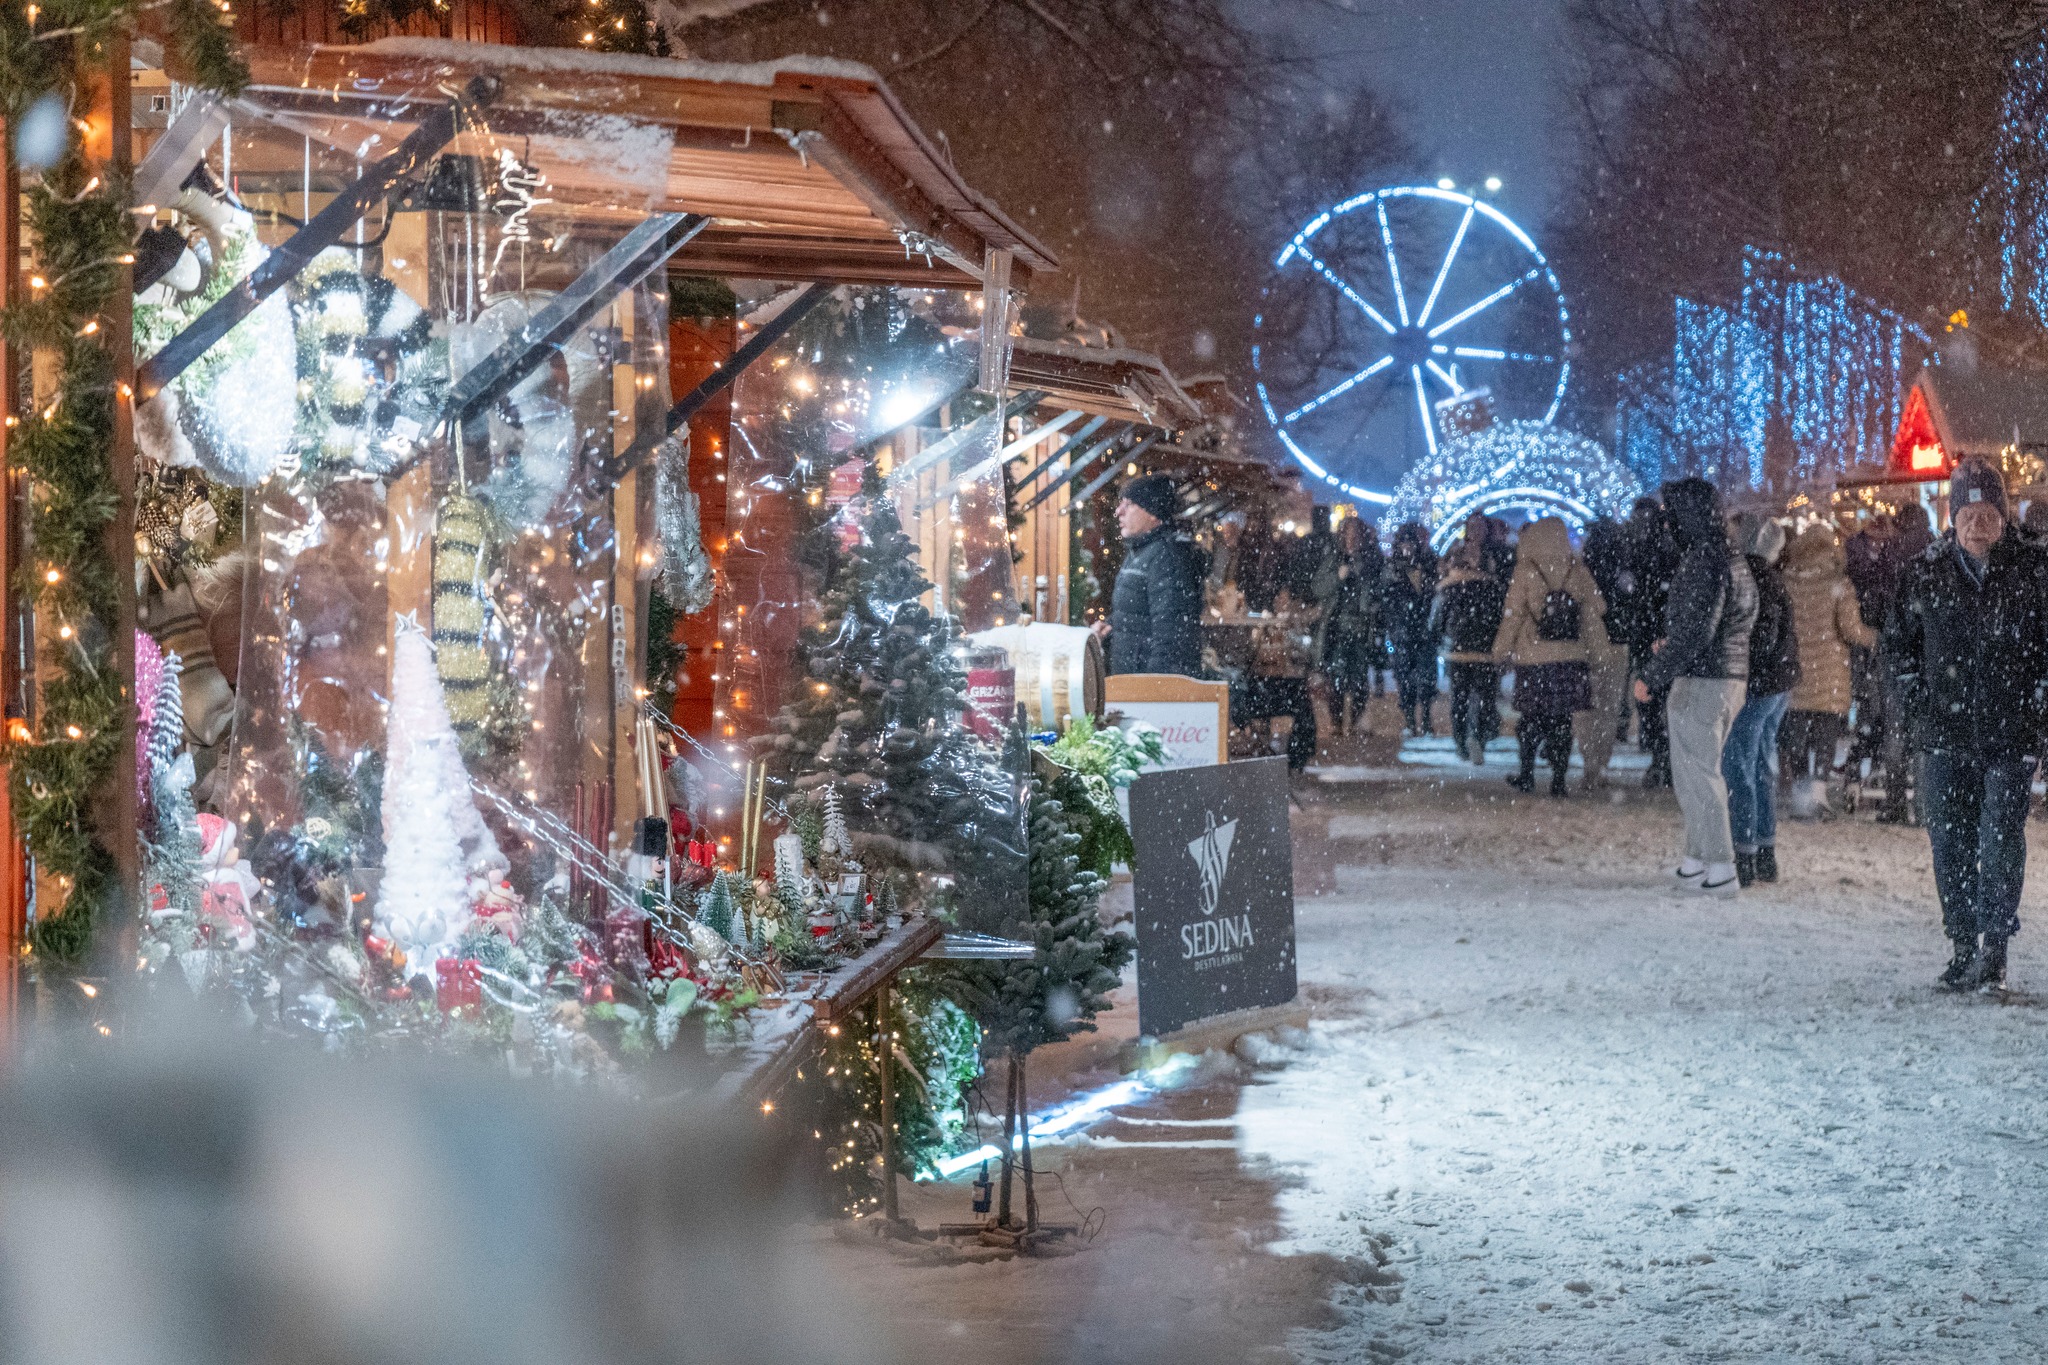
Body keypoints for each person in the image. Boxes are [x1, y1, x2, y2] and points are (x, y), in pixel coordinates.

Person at [1885, 460, 2048, 994]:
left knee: (2001, 839)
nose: (1979, 525)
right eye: (1969, 514)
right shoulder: (1926, 570)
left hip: (2011, 732)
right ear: (1952, 518)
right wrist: (1918, 700)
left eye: (1989, 514)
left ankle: (1993, 950)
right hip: (1943, 735)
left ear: (2003, 516)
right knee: (1949, 843)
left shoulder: (2034, 570)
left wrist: (2037, 703)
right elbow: (1899, 646)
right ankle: (1961, 946)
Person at [1633, 478, 1757, 897]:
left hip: (1703, 679)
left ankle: (1720, 864)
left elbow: (1697, 631)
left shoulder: (1703, 560)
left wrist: (1653, 672)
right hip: (1728, 676)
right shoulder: (1732, 557)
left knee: (1698, 775)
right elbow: (1728, 623)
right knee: (1697, 771)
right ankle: (1699, 859)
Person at [1493, 517, 1607, 797]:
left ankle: (1527, 774)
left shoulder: (1526, 570)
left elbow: (1513, 615)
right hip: (1569, 658)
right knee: (1561, 722)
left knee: (1531, 719)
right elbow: (1597, 607)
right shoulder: (1575, 568)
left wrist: (1501, 651)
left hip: (1533, 659)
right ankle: (1558, 779)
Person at [1722, 515, 1799, 887]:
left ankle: (1745, 854)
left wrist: (1739, 661)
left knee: (1741, 768)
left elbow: (1761, 636)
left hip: (1757, 686)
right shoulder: (1771, 577)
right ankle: (1764, 852)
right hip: (1778, 685)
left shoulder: (1750, 577)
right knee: (1760, 767)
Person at [1779, 525, 1875, 796]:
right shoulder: (1838, 585)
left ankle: (1800, 791)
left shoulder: (1787, 582)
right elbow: (1850, 629)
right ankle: (1818, 791)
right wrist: (1876, 638)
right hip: (1829, 672)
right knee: (1825, 733)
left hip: (1795, 669)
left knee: (1796, 732)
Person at [1099, 473, 1202, 677]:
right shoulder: (1141, 550)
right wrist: (1111, 624)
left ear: (1153, 513)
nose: (1119, 511)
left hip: (1145, 688)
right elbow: (1139, 611)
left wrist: (1153, 690)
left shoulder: (1166, 557)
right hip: (1131, 679)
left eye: (1129, 504)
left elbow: (1170, 634)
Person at [1622, 496, 1681, 787]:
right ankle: (1661, 756)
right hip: (1650, 634)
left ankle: (1663, 757)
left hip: (1655, 634)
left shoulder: (1658, 551)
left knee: (1656, 699)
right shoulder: (1642, 550)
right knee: (1651, 700)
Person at [1431, 538, 1504, 763]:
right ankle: (1479, 736)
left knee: (1459, 698)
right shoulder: (1492, 588)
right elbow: (1501, 619)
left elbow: (1435, 622)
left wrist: (1440, 640)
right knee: (1483, 696)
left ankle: (1461, 741)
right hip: (1485, 651)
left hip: (1457, 651)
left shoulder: (1447, 588)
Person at [1577, 517, 1633, 788]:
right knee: (1609, 706)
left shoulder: (1583, 569)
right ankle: (1600, 761)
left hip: (1588, 642)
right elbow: (1629, 602)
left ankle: (1590, 760)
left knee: (1587, 705)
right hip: (1616, 641)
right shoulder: (1624, 568)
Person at [1321, 516, 1385, 735]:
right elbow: (1319, 587)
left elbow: (1379, 589)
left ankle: (1356, 720)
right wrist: (1337, 577)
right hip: (1338, 627)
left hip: (1361, 627)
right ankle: (1337, 722)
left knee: (1359, 678)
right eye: (1348, 535)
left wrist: (1373, 607)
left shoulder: (1371, 561)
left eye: (1355, 536)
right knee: (1337, 677)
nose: (1351, 540)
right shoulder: (1334, 558)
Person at [1383, 523, 1440, 736]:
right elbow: (1387, 596)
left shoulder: (1428, 563)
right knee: (1405, 677)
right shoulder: (1393, 567)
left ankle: (1424, 718)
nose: (1408, 548)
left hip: (1422, 629)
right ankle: (1410, 719)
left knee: (1425, 678)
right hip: (1403, 630)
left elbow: (1434, 592)